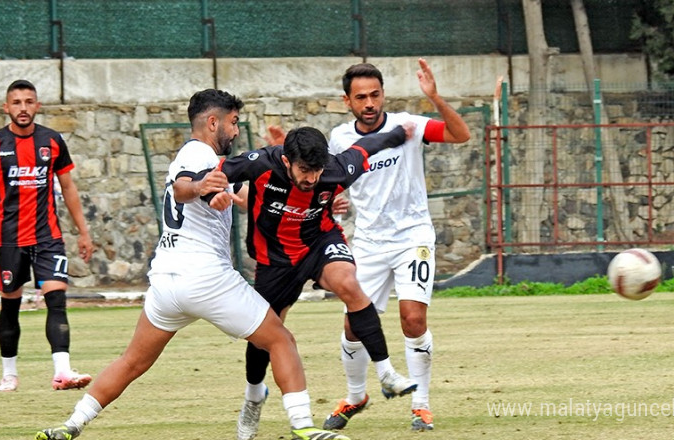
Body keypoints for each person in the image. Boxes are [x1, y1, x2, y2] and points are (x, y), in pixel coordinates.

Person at [34, 89, 349, 440]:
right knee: (281, 341)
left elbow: (235, 196)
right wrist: (202, 187)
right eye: (231, 123)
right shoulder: (197, 152)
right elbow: (186, 186)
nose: (234, 131)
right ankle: (305, 427)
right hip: (204, 276)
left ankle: (71, 424)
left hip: (167, 281)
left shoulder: (200, 160)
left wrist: (312, 206)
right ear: (212, 122)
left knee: (132, 362)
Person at [212, 122, 418, 440]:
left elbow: (369, 146)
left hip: (319, 243)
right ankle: (253, 396)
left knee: (349, 283)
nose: (311, 178)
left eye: (317, 170)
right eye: (304, 170)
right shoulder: (262, 162)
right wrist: (213, 193)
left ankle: (387, 372)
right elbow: (217, 170)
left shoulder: (336, 169)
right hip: (274, 260)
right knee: (263, 336)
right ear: (286, 161)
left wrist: (400, 132)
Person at [324, 58, 472, 431]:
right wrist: (333, 200)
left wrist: (435, 98)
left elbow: (460, 134)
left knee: (413, 319)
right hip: (370, 243)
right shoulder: (341, 138)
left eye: (375, 94)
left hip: (413, 238)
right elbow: (333, 183)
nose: (370, 103)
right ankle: (356, 397)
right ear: (348, 101)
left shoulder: (410, 125)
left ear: (384, 94)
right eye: (361, 97)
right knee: (353, 327)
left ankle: (420, 405)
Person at [0, 79, 95, 393]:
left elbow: (68, 188)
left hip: (48, 238)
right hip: (9, 241)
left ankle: (62, 372)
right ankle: (9, 374)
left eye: (29, 102)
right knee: (10, 306)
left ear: (37, 106)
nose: (23, 108)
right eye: (17, 102)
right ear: (6, 107)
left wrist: (84, 232)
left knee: (57, 300)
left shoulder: (52, 141)